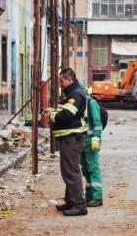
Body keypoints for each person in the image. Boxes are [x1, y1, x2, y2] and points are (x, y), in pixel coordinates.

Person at [43, 68, 87, 216]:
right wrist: (54, 111)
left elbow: (67, 115)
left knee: (71, 171)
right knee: (68, 170)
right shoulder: (72, 93)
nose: (60, 84)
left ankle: (79, 205)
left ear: (69, 80)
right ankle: (71, 201)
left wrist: (52, 115)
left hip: (72, 138)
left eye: (62, 81)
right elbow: (66, 111)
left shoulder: (76, 94)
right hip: (69, 138)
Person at [82, 88, 103, 207]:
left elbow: (97, 122)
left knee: (93, 169)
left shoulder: (91, 103)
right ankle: (89, 195)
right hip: (82, 141)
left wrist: (96, 137)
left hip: (91, 141)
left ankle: (97, 197)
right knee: (85, 169)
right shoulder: (81, 103)